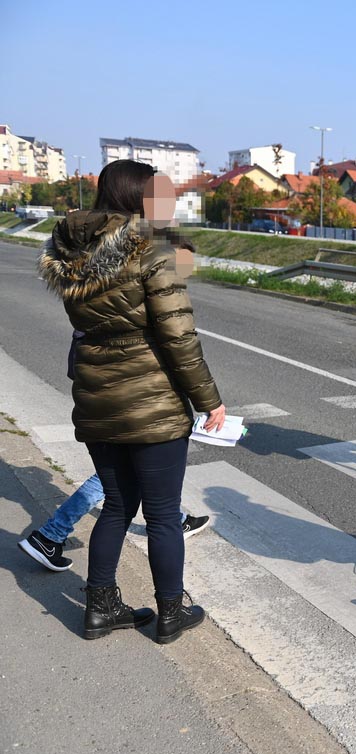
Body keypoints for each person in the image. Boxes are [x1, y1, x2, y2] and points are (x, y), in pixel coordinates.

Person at [38, 160, 224, 643]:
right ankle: (171, 613)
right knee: (163, 514)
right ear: (139, 197)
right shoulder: (151, 250)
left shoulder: (72, 250)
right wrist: (209, 401)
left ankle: (100, 609)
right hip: (153, 402)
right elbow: (179, 338)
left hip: (96, 394)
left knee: (117, 507)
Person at [18, 473, 211, 572]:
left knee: (122, 470)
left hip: (107, 409)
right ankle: (49, 537)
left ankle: (49, 536)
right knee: (132, 469)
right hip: (134, 409)